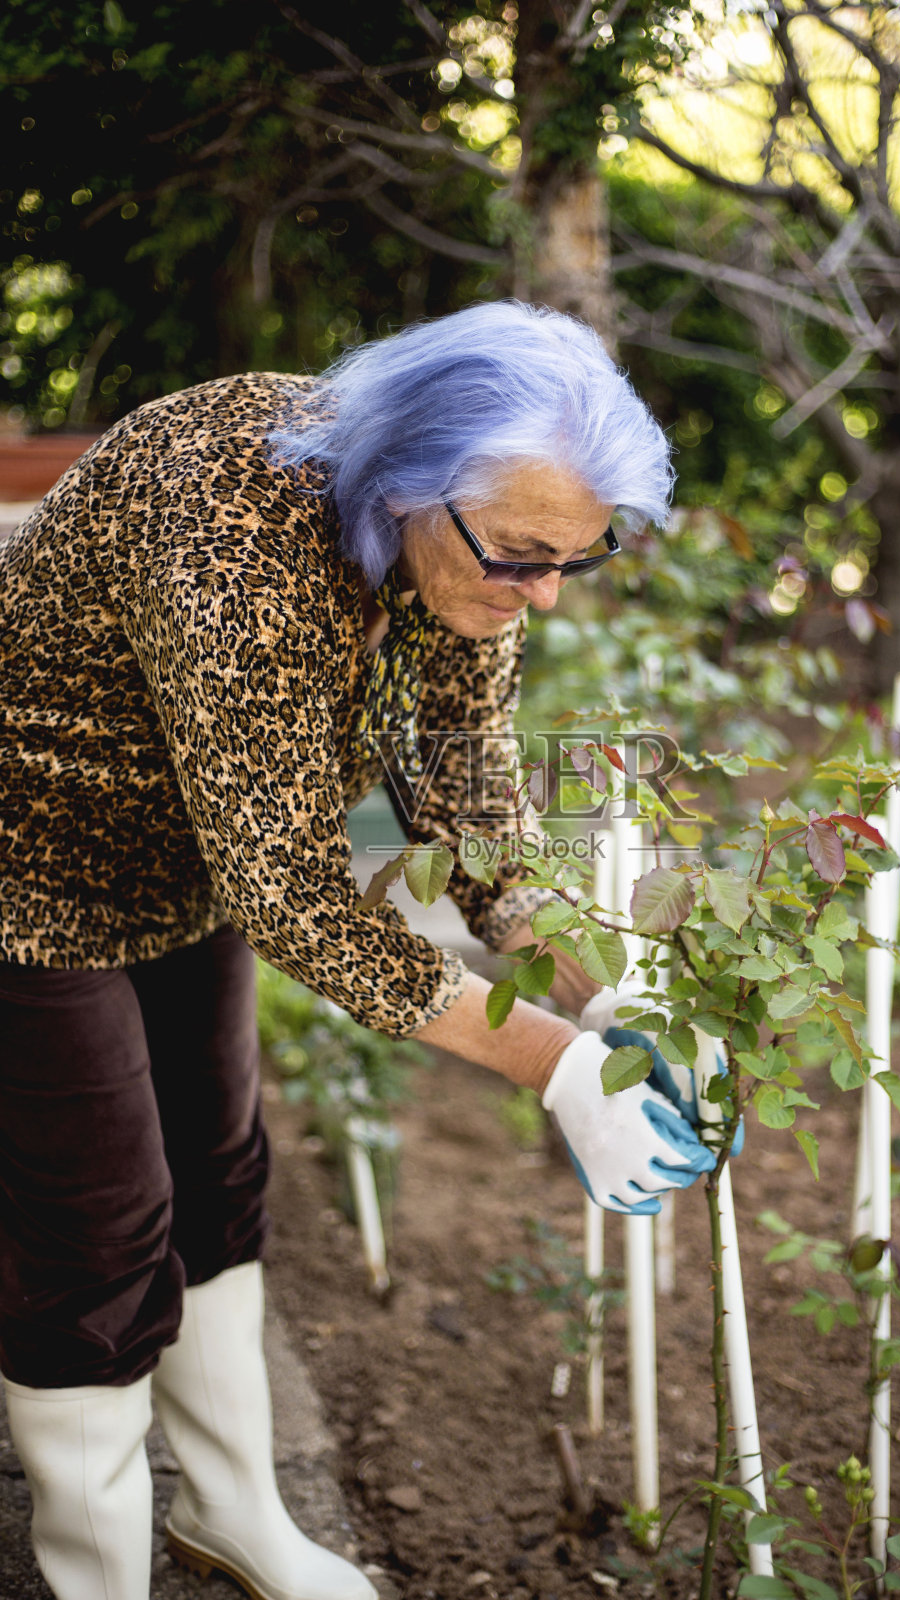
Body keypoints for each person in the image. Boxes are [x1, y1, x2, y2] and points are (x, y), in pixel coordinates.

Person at [0, 300, 716, 1600]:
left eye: (579, 559)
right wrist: (553, 1064)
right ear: (410, 492)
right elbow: (297, 901)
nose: (544, 591)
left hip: (190, 861)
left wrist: (611, 986)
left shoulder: (473, 542)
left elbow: (465, 785)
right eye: (520, 557)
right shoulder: (230, 534)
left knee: (220, 1179)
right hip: (26, 862)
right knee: (98, 1235)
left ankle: (234, 1516)